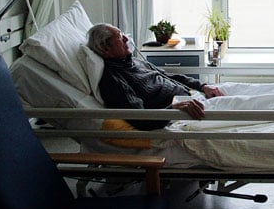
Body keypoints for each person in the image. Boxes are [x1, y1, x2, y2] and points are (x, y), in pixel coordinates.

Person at [87, 23, 224, 130]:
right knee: (242, 107)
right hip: (182, 114)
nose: (126, 39)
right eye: (119, 37)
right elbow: (141, 119)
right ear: (106, 48)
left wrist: (203, 86)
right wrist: (175, 108)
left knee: (243, 93)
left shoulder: (134, 61)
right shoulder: (113, 80)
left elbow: (168, 76)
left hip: (194, 96)